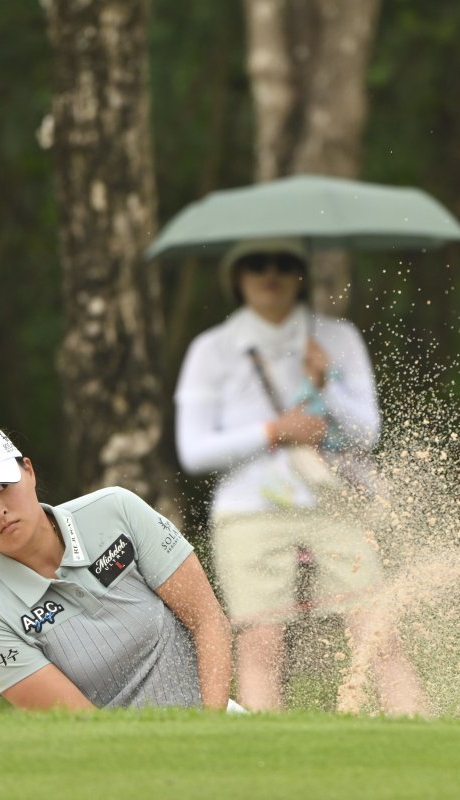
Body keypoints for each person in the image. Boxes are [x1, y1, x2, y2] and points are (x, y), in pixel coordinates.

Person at [174, 238, 425, 714]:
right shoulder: (211, 349)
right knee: (260, 640)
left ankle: (421, 736)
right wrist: (273, 431)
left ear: (300, 274)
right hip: (249, 510)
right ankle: (261, 764)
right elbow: (193, 451)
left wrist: (327, 384)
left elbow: (366, 433)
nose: (271, 273)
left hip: (335, 501)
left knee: (376, 628)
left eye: (284, 263)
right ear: (237, 278)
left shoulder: (338, 337)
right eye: (256, 264)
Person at [0, 421, 233, 710]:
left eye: (2, 487)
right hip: (123, 761)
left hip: (215, 722)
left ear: (28, 471)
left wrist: (210, 729)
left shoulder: (116, 509)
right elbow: (85, 726)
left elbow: (207, 621)